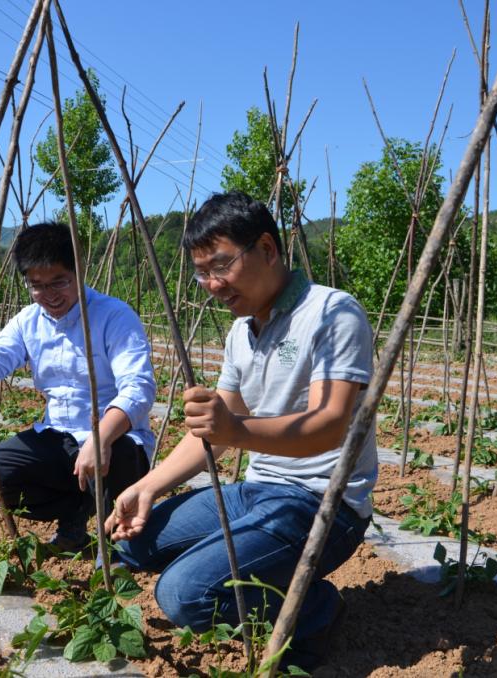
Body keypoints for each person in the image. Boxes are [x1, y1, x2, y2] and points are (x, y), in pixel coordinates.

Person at [105, 191, 376, 668]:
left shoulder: (333, 313)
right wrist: (147, 486)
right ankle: (255, 569)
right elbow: (212, 432)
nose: (211, 284)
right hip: (256, 490)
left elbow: (331, 426)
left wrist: (236, 430)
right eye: (201, 272)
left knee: (184, 595)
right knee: (135, 542)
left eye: (220, 266)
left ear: (267, 250)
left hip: (321, 504)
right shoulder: (241, 331)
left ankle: (316, 609)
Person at [0, 221, 156, 551]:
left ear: (79, 271)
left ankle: (117, 547)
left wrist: (100, 436)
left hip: (115, 440)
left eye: (59, 282)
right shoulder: (28, 320)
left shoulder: (114, 315)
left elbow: (138, 388)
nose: (49, 295)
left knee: (117, 457)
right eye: (36, 285)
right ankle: (75, 512)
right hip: (58, 437)